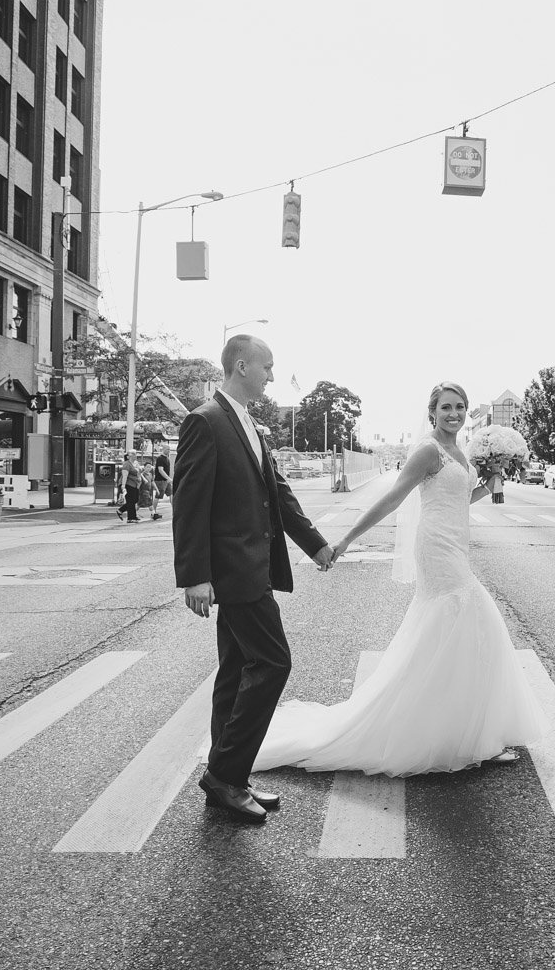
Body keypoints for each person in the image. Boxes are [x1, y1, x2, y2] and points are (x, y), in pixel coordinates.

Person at [253, 381, 545, 778]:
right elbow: (393, 499)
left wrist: (490, 482)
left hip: (456, 545)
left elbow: (459, 499)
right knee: (467, 620)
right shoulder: (428, 450)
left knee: (459, 630)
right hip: (437, 550)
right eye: (446, 407)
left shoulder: (460, 450)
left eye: (460, 407)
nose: (454, 414)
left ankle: (468, 729)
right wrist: (346, 540)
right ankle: (464, 734)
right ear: (432, 412)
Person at [172, 335, 335, 825]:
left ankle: (229, 782)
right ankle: (224, 774)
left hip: (253, 569)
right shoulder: (205, 421)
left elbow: (278, 495)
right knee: (273, 662)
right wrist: (195, 576)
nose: (270, 374)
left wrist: (317, 544)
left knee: (235, 673)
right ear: (241, 366)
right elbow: (189, 502)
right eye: (267, 366)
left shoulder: (248, 423)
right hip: (234, 572)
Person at [117, 452, 142, 522]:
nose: (135, 455)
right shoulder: (126, 464)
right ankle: (131, 518)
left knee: (135, 499)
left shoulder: (135, 464)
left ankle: (121, 510)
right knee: (130, 500)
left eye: (135, 454)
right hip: (128, 484)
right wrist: (123, 486)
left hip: (134, 484)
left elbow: (139, 473)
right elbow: (125, 475)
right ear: (128, 457)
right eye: (133, 454)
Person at [150, 446, 172, 520]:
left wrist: (168, 478)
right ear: (163, 449)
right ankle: (153, 513)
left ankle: (175, 511)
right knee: (158, 496)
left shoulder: (167, 459)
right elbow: (160, 470)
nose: (169, 451)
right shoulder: (160, 458)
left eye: (169, 449)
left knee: (171, 494)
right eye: (167, 449)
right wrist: (168, 478)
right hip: (160, 480)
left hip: (166, 480)